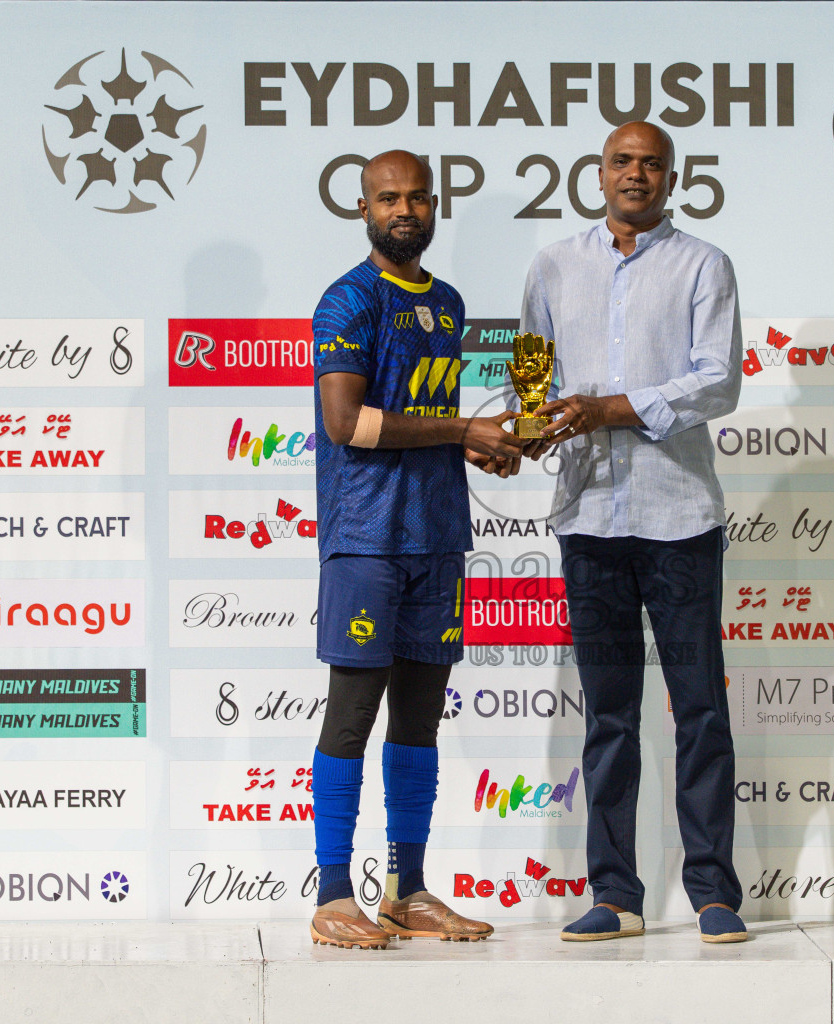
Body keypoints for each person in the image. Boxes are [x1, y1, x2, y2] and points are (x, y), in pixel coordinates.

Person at [518, 122, 747, 943]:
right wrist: (528, 431)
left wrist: (615, 408)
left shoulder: (703, 265)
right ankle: (615, 893)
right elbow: (532, 377)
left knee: (699, 711)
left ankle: (714, 892)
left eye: (652, 163)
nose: (637, 174)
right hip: (589, 518)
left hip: (678, 518)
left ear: (672, 176)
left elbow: (718, 382)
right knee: (609, 714)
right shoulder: (553, 267)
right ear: (600, 172)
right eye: (623, 161)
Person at [309, 149, 524, 949]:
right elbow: (349, 424)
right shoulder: (348, 302)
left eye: (419, 198)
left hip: (437, 536)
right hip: (366, 539)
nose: (405, 210)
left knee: (420, 722)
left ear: (436, 208)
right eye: (388, 198)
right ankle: (334, 894)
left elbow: (423, 418)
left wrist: (477, 445)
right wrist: (462, 430)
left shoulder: (450, 302)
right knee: (352, 716)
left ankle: (409, 890)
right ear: (363, 209)